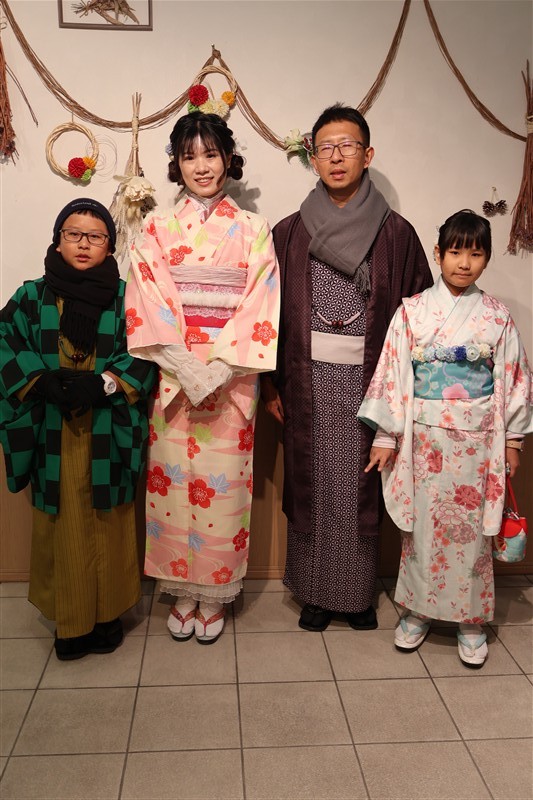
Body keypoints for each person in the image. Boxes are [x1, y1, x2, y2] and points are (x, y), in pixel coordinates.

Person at [261, 103, 432, 632]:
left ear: (367, 154)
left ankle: (357, 596)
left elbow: (419, 314)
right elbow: (265, 315)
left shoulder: (396, 234)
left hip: (370, 383)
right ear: (312, 158)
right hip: (305, 379)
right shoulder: (289, 232)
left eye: (347, 146)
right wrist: (270, 384)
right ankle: (314, 593)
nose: (336, 157)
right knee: (314, 485)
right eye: (326, 148)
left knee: (360, 485)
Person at [126, 112, 280, 644]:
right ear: (177, 164)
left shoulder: (254, 229)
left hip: (230, 377)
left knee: (222, 488)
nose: (201, 166)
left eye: (211, 154)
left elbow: (260, 301)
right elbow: (146, 297)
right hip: (174, 374)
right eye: (189, 156)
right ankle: (181, 591)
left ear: (228, 159)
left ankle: (213, 593)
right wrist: (185, 365)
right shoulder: (155, 227)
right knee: (170, 484)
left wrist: (217, 368)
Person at [358, 209, 533, 667]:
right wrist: (386, 437)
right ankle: (417, 611)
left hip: (479, 441)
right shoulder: (413, 311)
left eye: (475, 254)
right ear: (438, 254)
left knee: (471, 533)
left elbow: (514, 377)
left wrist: (513, 440)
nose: (464, 263)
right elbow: (393, 374)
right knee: (422, 528)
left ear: (487, 259)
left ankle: (471, 619)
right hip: (425, 440)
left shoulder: (497, 317)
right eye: (455, 252)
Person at [0, 198, 156, 661]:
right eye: (73, 234)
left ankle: (108, 617)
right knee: (61, 522)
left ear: (111, 245)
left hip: (107, 423)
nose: (84, 244)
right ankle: (69, 624)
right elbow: (5, 342)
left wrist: (104, 383)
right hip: (51, 426)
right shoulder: (31, 296)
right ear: (58, 240)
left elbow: (148, 350)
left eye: (95, 236)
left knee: (109, 519)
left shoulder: (129, 296)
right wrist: (41, 380)